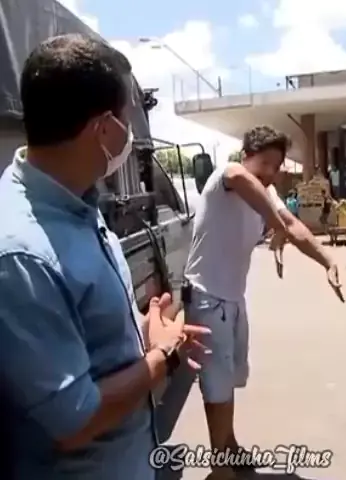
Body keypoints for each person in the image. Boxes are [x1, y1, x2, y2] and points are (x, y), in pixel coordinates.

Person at [0, 34, 209, 480]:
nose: (130, 134)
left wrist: (141, 330)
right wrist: (165, 354)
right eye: (127, 119)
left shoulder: (77, 202)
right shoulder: (21, 253)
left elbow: (83, 332)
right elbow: (74, 419)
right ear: (104, 129)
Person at [184, 125, 342, 479]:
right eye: (264, 163)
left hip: (232, 299)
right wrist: (275, 224)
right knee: (216, 385)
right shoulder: (226, 177)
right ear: (246, 156)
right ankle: (219, 468)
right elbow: (241, 178)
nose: (270, 172)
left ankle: (229, 446)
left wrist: (327, 260)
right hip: (207, 298)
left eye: (276, 165)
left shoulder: (266, 194)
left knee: (228, 381)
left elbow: (293, 225)